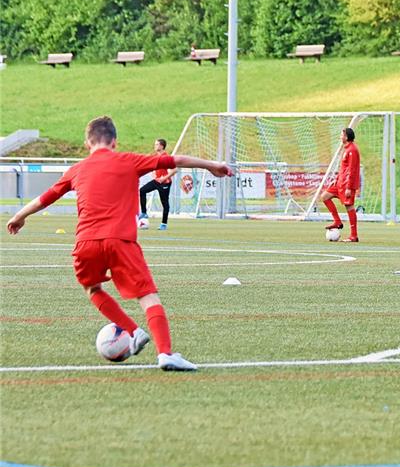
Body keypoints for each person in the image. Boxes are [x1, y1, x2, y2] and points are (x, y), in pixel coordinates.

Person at [6, 116, 233, 371]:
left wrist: (18, 216)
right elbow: (176, 160)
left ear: (87, 143)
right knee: (147, 296)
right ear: (114, 141)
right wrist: (213, 165)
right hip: (121, 241)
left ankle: (133, 332)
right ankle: (166, 353)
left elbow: (45, 198)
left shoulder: (76, 170)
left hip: (86, 243)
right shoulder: (130, 160)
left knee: (92, 289)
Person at [320, 127, 361, 242]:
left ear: (346, 137)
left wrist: (349, 187)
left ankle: (354, 235)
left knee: (349, 207)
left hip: (347, 185)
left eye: (341, 135)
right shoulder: (346, 149)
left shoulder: (352, 150)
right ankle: (337, 221)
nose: (340, 136)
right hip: (339, 183)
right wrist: (337, 178)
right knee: (324, 197)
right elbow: (344, 168)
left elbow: (352, 170)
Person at [139, 138, 176, 230]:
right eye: (155, 144)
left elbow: (175, 170)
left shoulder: (166, 157)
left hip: (164, 183)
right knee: (142, 190)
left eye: (156, 144)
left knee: (164, 203)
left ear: (162, 146)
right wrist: (153, 172)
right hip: (156, 181)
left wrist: (164, 178)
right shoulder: (155, 156)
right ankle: (144, 212)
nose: (155, 146)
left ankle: (164, 224)